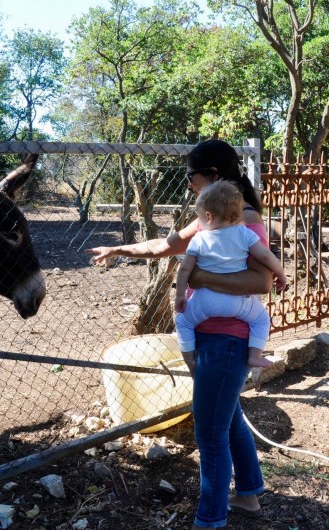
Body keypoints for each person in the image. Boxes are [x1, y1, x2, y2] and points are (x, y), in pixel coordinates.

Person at [86, 139, 269, 529]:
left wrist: (197, 278)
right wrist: (118, 249)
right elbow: (164, 246)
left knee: (210, 434)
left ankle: (210, 520)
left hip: (227, 339)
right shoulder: (213, 217)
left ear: (213, 175)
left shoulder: (245, 218)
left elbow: (262, 281)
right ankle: (249, 496)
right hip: (212, 336)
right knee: (229, 419)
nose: (188, 184)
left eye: (191, 176)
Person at [174, 180, 287, 371]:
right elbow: (266, 256)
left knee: (183, 322)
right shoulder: (245, 234)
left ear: (208, 216)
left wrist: (180, 296)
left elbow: (184, 269)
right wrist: (281, 274)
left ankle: (191, 362)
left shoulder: (199, 239)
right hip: (238, 302)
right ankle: (255, 356)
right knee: (261, 319)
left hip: (204, 301)